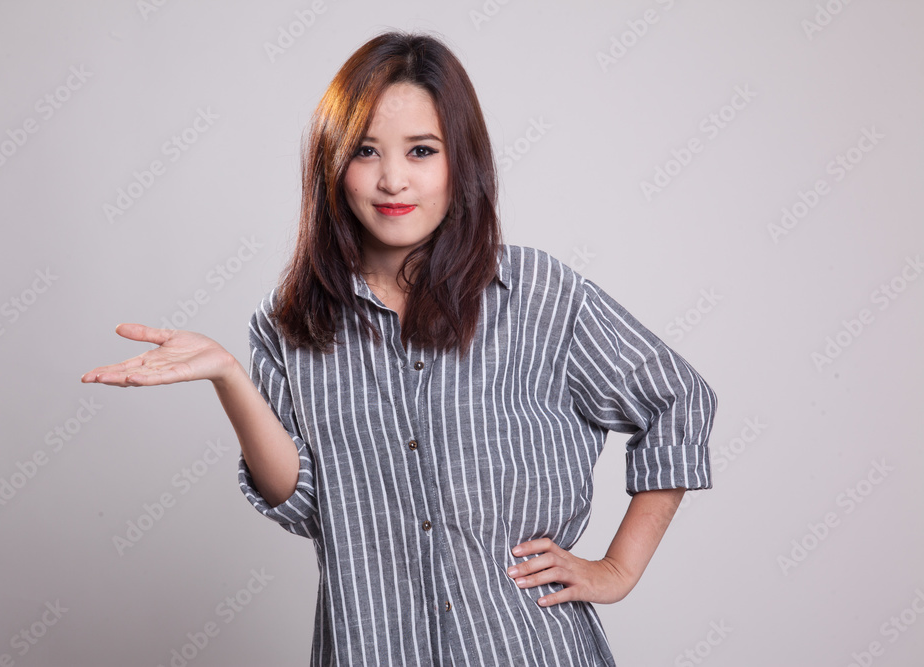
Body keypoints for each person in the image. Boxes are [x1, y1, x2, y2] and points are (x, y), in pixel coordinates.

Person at [82, 30, 717, 666]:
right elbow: (306, 505)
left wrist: (617, 569)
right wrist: (227, 376)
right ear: (333, 164)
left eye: (421, 151)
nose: (392, 180)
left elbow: (678, 400)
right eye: (365, 151)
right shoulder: (289, 324)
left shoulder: (537, 293)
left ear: (460, 160)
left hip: (525, 648)